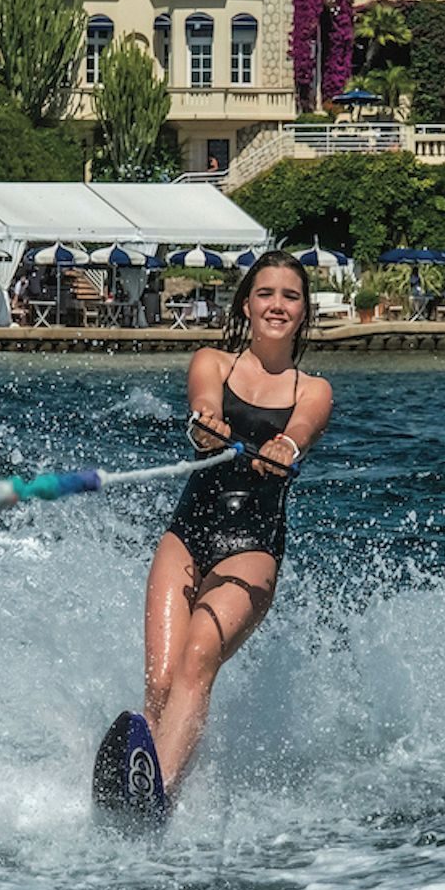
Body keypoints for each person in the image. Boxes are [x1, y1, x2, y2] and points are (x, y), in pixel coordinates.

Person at [141, 249, 333, 803]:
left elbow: (302, 428)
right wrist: (207, 425)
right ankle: (142, 775)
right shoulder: (212, 362)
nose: (277, 304)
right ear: (247, 303)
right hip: (188, 532)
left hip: (252, 545)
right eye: (266, 293)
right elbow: (203, 403)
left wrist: (285, 446)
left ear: (303, 312)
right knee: (159, 682)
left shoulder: (311, 389)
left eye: (291, 296)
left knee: (200, 652)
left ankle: (164, 797)